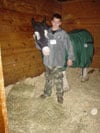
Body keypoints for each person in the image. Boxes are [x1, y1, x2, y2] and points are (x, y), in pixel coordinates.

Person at [40, 13, 75, 104]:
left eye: (57, 22)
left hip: (58, 61)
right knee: (48, 78)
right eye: (54, 21)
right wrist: (36, 40)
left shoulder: (63, 34)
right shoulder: (46, 32)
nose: (55, 23)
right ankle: (47, 93)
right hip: (48, 60)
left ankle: (60, 96)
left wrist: (70, 58)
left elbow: (69, 46)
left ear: (60, 23)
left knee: (59, 79)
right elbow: (40, 45)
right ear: (51, 22)